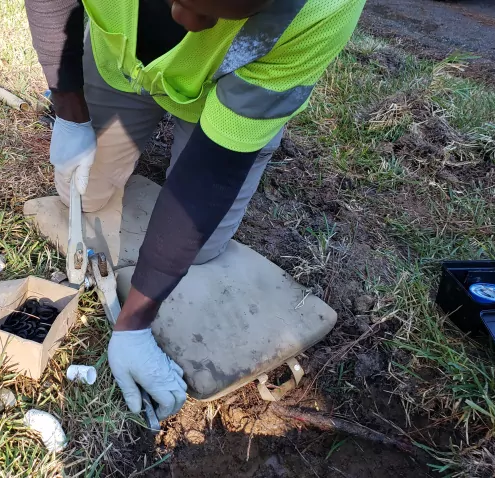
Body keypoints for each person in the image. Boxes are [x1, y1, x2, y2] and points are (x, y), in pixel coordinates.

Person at [24, 0, 366, 420]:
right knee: (80, 193)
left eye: (225, 13)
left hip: (226, 93)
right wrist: (69, 110)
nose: (191, 23)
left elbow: (210, 174)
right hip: (124, 64)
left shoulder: (323, 11)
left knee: (200, 248)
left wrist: (133, 324)